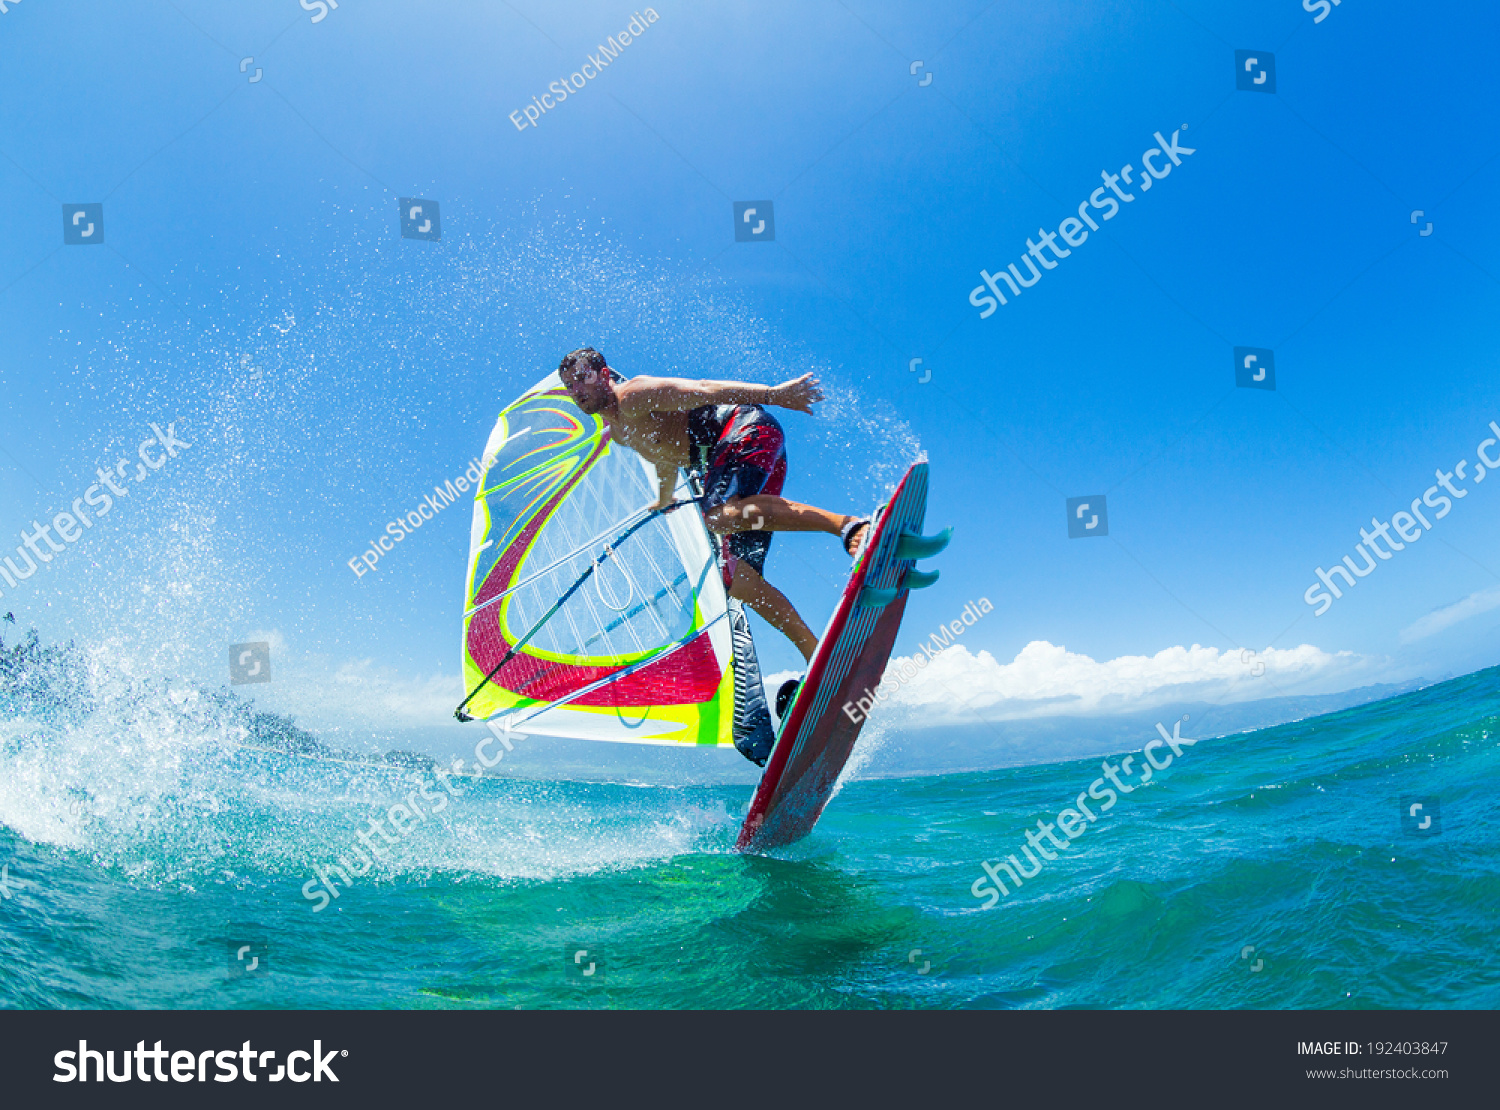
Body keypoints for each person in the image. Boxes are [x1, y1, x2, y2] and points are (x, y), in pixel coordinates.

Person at [556, 347, 871, 707]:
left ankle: (851, 528)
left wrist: (774, 395)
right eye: (570, 385)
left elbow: (705, 389)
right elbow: (662, 454)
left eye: (583, 378)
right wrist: (663, 497)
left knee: (719, 513)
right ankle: (818, 659)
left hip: (746, 427)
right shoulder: (619, 433)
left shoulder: (635, 393)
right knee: (739, 581)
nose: (576, 390)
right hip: (742, 457)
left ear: (605, 374)